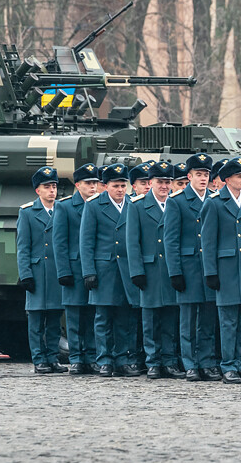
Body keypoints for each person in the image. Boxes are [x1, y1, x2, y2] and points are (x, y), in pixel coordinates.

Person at [201, 156, 241, 383]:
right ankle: (228, 365)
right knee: (228, 322)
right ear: (227, 179)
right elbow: (208, 242)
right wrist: (210, 272)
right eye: (240, 176)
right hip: (226, 269)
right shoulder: (214, 202)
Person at [163, 153, 220, 381]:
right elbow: (171, 239)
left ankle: (206, 362)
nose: (203, 178)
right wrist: (175, 271)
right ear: (189, 176)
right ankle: (190, 363)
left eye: (206, 174)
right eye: (198, 174)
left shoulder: (215, 199)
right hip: (189, 267)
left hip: (209, 267)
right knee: (188, 320)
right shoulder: (177, 201)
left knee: (208, 318)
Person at [80, 163, 139, 377]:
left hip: (127, 269)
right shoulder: (94, 206)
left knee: (126, 317)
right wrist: (88, 271)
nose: (120, 190)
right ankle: (104, 359)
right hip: (104, 269)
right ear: (106, 187)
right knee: (103, 318)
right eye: (116, 186)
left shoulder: (133, 204)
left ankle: (123, 358)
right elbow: (86, 241)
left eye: (123, 185)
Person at [128, 162, 182, 379]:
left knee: (170, 317)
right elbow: (132, 241)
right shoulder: (138, 206)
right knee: (150, 319)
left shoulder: (175, 204)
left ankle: (169, 361)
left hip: (169, 270)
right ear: (150, 183)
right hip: (149, 270)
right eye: (160, 182)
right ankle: (153, 362)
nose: (164, 186)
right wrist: (136, 271)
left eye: (168, 182)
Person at [16, 166, 65, 374]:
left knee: (54, 319)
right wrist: (25, 274)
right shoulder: (27, 212)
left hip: (56, 272)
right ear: (38, 190)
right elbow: (22, 246)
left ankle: (52, 357)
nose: (52, 191)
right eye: (47, 187)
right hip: (37, 273)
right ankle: (39, 360)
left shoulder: (62, 210)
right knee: (36, 320)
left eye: (54, 186)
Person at [53, 163, 101, 374]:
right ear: (78, 185)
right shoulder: (65, 207)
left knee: (91, 316)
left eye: (95, 183)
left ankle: (91, 357)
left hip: (93, 269)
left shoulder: (99, 205)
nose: (92, 187)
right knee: (74, 318)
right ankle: (76, 358)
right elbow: (59, 242)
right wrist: (63, 271)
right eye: (88, 183)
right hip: (73, 269)